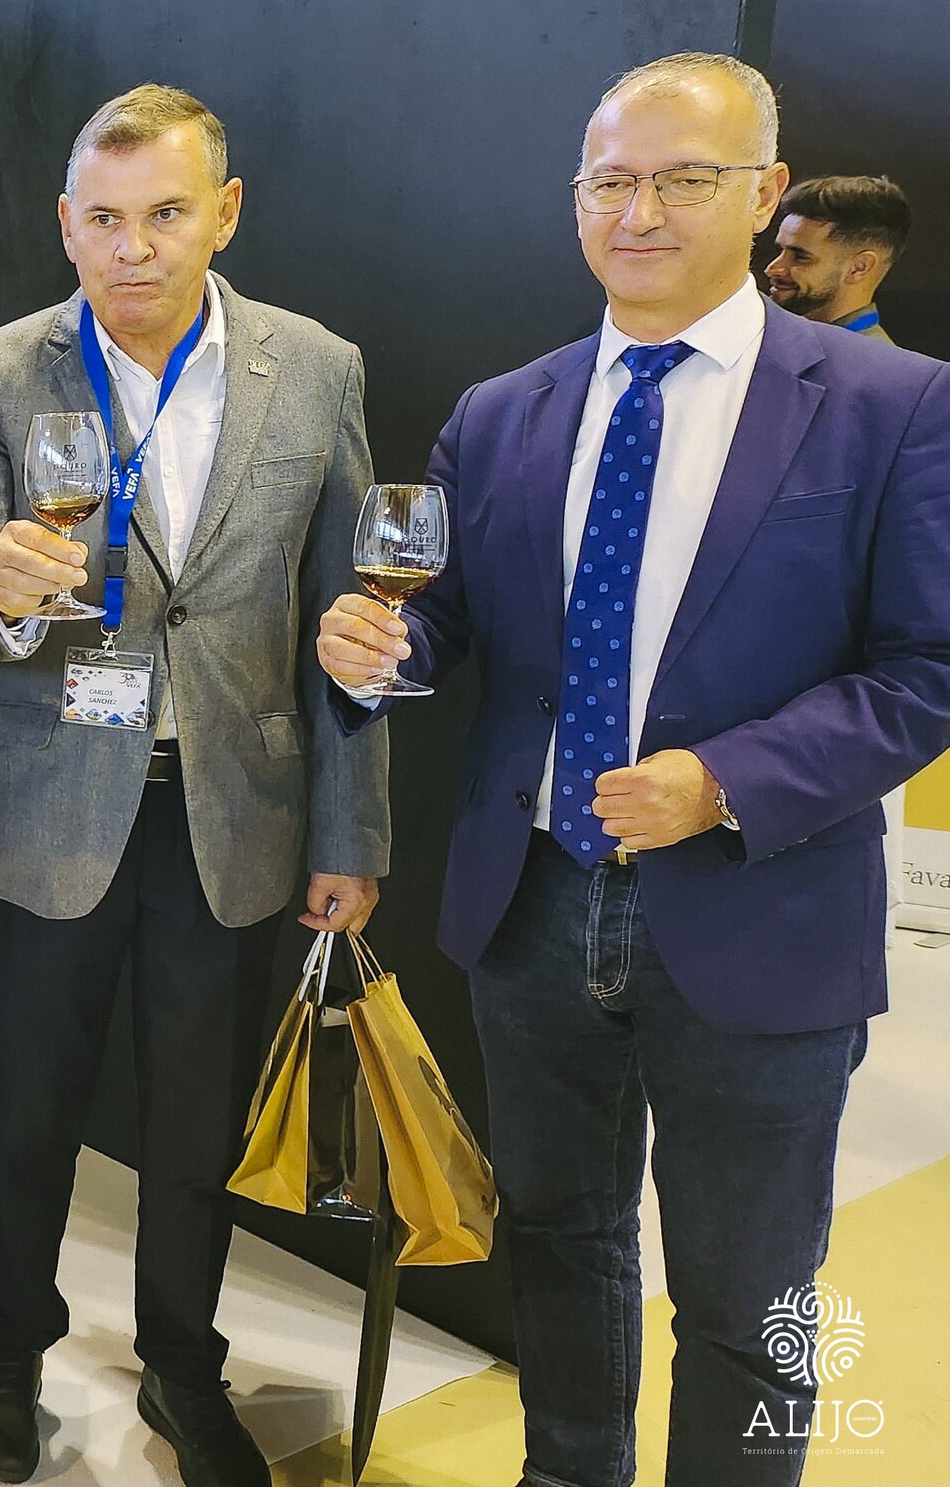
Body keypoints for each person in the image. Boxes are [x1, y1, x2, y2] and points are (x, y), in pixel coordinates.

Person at [315, 53, 950, 1487]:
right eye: (610, 180)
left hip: (758, 908)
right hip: (533, 903)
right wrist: (376, 649)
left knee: (749, 1293)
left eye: (683, 179)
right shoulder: (503, 410)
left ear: (765, 193)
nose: (639, 211)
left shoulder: (893, 404)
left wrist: (722, 781)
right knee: (560, 1239)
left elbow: (927, 669)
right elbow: (445, 627)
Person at [0, 83, 387, 1487]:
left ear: (222, 213)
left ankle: (184, 1361)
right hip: (40, 809)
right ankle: (12, 1345)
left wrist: (352, 826)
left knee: (195, 1126)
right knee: (26, 1114)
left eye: (165, 213)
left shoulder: (317, 370)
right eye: (105, 219)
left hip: (234, 814)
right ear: (66, 222)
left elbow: (351, 617)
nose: (133, 247)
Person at [765, 174, 913, 343]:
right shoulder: (785, 339)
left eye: (800, 257)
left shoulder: (870, 359)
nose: (772, 269)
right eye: (781, 251)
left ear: (859, 268)